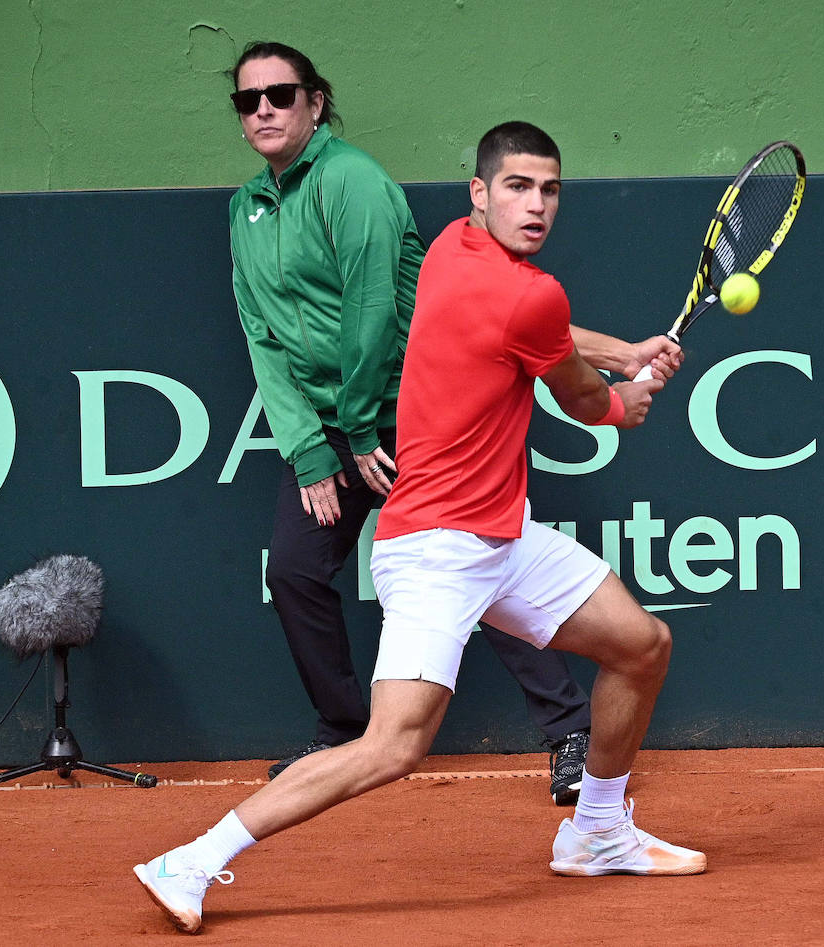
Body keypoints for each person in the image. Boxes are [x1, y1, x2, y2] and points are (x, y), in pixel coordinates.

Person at [134, 120, 705, 934]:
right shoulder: (529, 292)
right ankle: (188, 859)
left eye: (549, 189)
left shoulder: (449, 249)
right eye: (516, 186)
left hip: (503, 534)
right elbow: (581, 396)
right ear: (481, 192)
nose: (535, 204)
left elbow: (544, 336)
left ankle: (599, 833)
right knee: (393, 746)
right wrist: (626, 402)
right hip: (439, 544)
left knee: (642, 644)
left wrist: (623, 351)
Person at [221, 42, 592, 801]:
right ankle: (345, 738)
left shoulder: (352, 182)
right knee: (294, 569)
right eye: (247, 99)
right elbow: (259, 332)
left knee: (478, 567)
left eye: (280, 95)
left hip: (410, 409)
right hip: (332, 430)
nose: (263, 109)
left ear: (314, 103)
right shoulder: (246, 208)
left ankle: (569, 734)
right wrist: (308, 447)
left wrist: (361, 432)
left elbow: (369, 315)